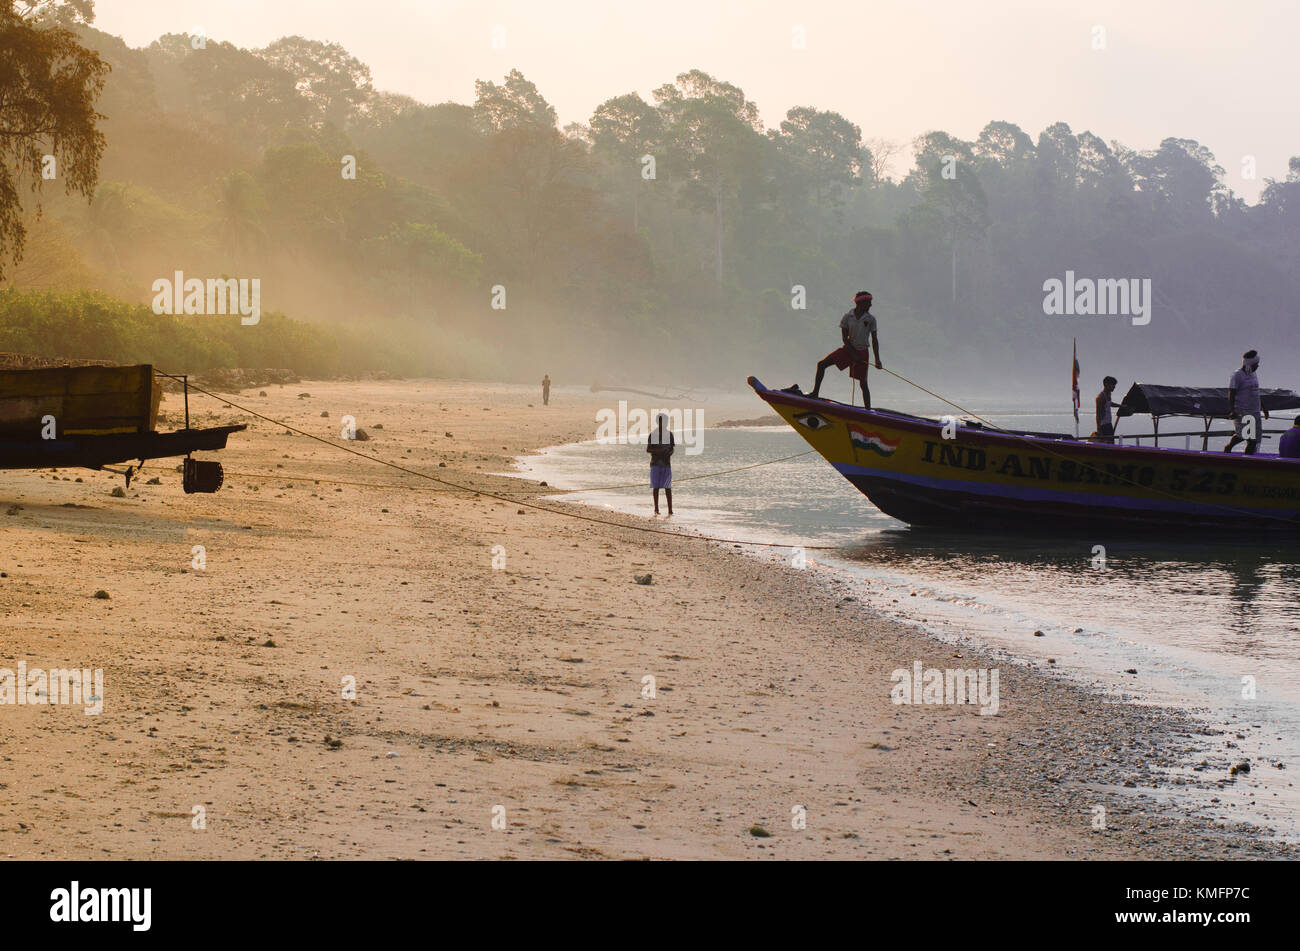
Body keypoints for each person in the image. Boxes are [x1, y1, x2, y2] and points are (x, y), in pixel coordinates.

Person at [810, 291, 882, 408]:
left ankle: (868, 409)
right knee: (821, 364)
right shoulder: (847, 317)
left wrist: (877, 360)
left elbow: (874, 340)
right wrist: (853, 354)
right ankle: (815, 393)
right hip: (848, 350)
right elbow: (845, 338)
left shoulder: (871, 319)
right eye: (868, 303)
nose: (870, 305)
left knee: (863, 383)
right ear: (860, 303)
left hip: (863, 352)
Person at [1225, 350, 1268, 455]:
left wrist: (1263, 408)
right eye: (1255, 365)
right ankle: (1228, 448)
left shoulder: (1253, 374)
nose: (1257, 366)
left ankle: (1248, 458)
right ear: (1249, 364)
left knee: (1253, 440)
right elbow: (1232, 393)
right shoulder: (1237, 375)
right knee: (1243, 435)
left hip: (1255, 410)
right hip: (1242, 410)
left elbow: (1256, 392)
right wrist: (1232, 410)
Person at [646, 413, 673, 515]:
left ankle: (670, 510)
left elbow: (672, 448)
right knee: (656, 487)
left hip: (666, 464)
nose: (665, 424)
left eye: (666, 422)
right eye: (664, 422)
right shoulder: (653, 435)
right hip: (655, 464)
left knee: (668, 488)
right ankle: (656, 509)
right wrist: (660, 452)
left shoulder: (669, 434)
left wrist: (670, 453)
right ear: (659, 422)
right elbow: (648, 449)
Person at [1095, 376, 1121, 443]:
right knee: (1107, 443)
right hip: (1103, 426)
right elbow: (1098, 415)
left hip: (1109, 423)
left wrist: (1120, 406)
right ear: (1106, 385)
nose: (1114, 387)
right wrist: (1099, 429)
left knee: (1112, 442)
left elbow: (1110, 404)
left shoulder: (1109, 394)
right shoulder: (1101, 397)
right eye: (1113, 385)